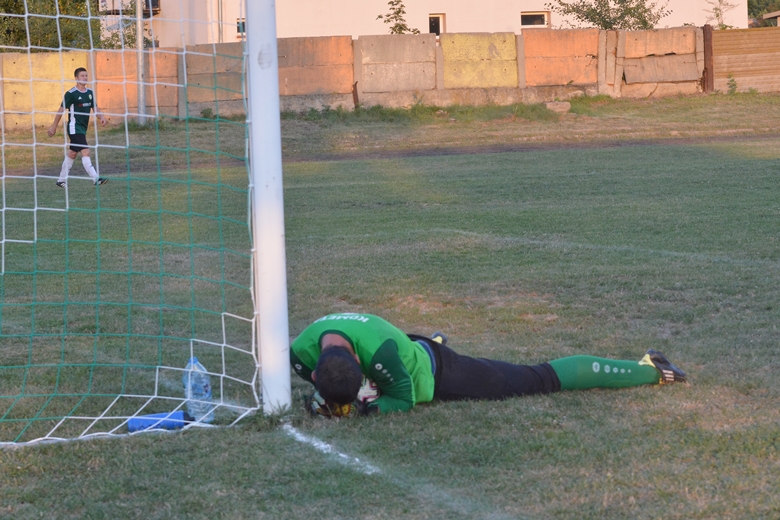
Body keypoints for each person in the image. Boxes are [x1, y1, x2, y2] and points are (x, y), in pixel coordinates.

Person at [290, 312, 687, 417]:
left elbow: (404, 399)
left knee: (535, 379)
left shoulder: (379, 355)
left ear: (357, 360)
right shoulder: (298, 355)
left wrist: (362, 409)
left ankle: (650, 367)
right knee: (402, 353)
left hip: (434, 368)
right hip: (399, 344)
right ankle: (431, 342)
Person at [47, 67, 108, 188]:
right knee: (86, 151)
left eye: (86, 76)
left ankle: (61, 180)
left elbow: (95, 109)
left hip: (83, 129)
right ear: (76, 78)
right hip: (74, 128)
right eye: (82, 76)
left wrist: (101, 117)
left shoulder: (90, 93)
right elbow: (60, 111)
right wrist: (54, 127)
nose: (85, 78)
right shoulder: (71, 94)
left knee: (72, 154)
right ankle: (96, 179)